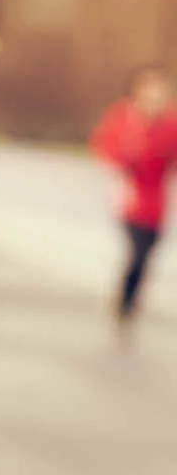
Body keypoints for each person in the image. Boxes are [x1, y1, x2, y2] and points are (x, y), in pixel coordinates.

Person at [90, 64, 177, 322]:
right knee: (137, 252)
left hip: (157, 201)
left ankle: (130, 297)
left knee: (148, 253)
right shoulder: (124, 118)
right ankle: (125, 304)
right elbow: (105, 149)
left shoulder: (170, 124)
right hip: (129, 198)